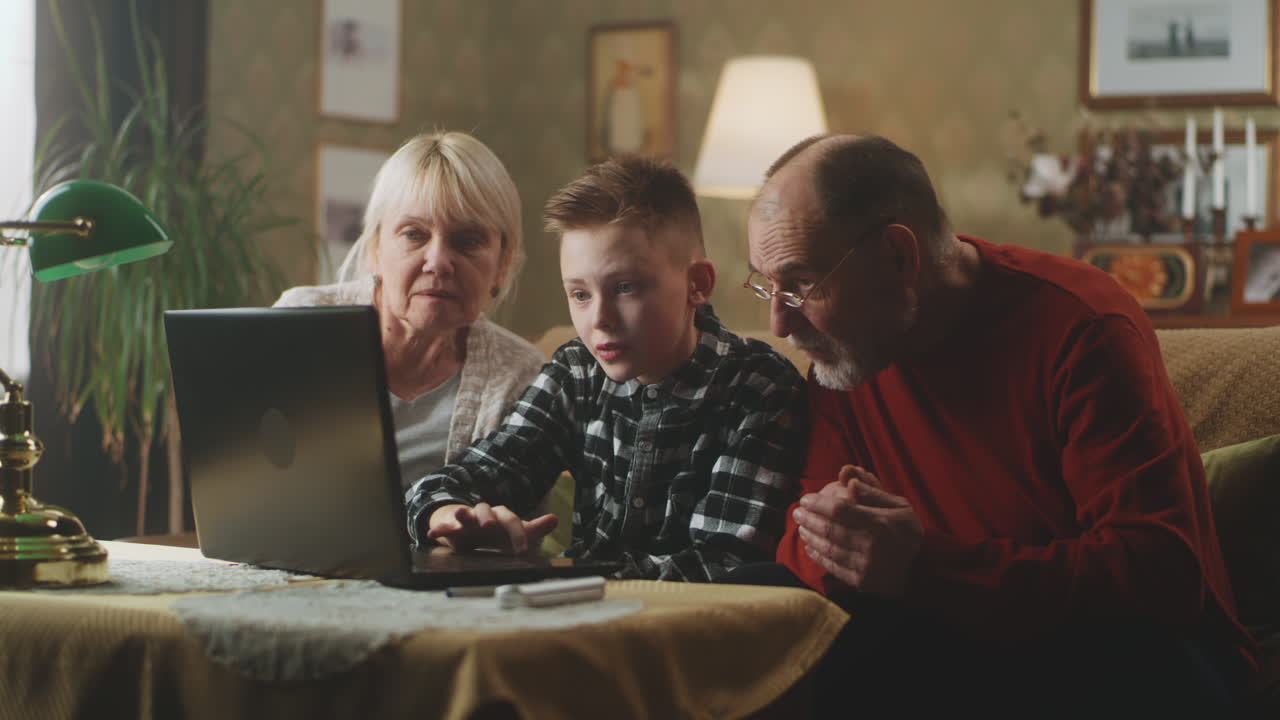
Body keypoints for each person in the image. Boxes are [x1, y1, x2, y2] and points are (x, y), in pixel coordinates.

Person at [734, 134, 1258, 715]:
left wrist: (924, 568)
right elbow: (810, 553)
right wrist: (842, 549)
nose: (778, 322)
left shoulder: (1079, 327)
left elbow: (1159, 579)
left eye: (800, 284)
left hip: (1128, 660)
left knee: (1137, 662)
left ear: (897, 257)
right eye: (765, 283)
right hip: (948, 640)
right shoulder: (844, 356)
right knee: (753, 596)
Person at [405, 155, 807, 580]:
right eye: (579, 294)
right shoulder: (577, 370)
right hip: (580, 611)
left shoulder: (759, 387)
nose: (599, 319)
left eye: (625, 288)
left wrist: (555, 574)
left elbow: (721, 565)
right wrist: (447, 514)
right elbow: (471, 475)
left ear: (698, 285)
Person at [275, 131, 545, 489]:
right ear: (374, 249)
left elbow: (518, 526)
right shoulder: (300, 322)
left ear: (502, 265)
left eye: (468, 241)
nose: (438, 262)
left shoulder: (520, 377)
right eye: (414, 234)